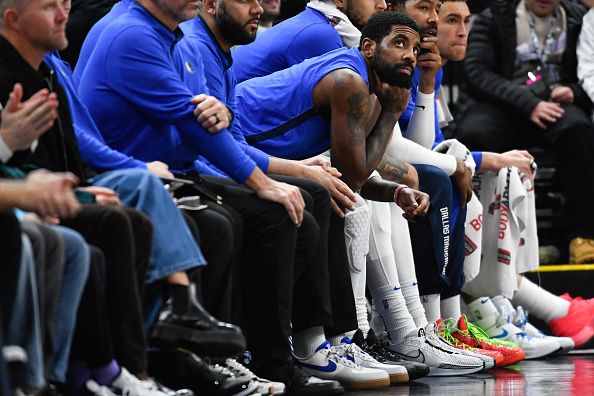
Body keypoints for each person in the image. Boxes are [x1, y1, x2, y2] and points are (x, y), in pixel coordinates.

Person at [453, 0, 594, 263]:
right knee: (474, 134)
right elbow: (477, 72)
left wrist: (574, 91)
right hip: (501, 105)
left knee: (580, 131)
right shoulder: (493, 17)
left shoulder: (579, 18)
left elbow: (588, 69)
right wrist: (529, 103)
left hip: (555, 104)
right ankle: (476, 238)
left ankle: (582, 237)